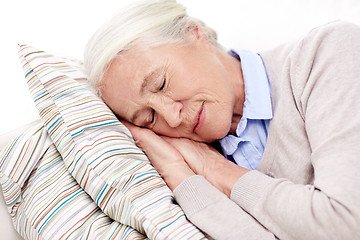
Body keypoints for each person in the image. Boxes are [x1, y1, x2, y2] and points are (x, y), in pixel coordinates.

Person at [83, 0, 360, 239]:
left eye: (161, 83)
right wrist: (182, 178)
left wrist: (216, 170)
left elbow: (347, 224)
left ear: (195, 34)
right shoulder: (185, 173)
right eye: (149, 118)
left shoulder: (324, 54)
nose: (171, 115)